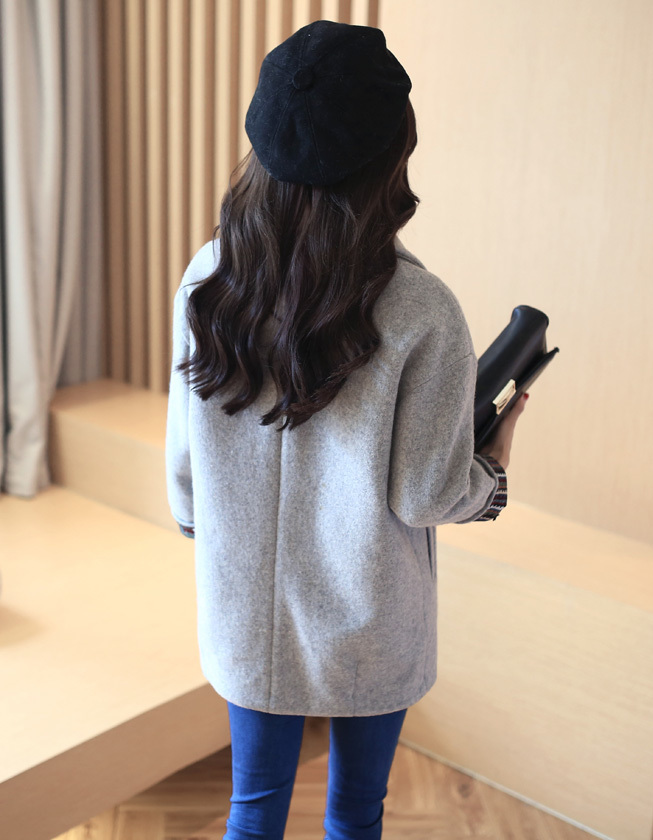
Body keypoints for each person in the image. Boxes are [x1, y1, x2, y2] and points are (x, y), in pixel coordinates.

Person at [165, 19, 527, 840]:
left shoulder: (209, 275)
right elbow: (427, 493)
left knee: (252, 812)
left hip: (247, 610)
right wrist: (493, 472)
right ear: (392, 155)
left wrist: (205, 527)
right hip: (372, 614)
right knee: (357, 815)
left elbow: (187, 462)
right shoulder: (422, 309)